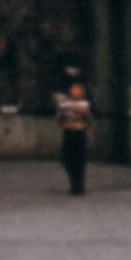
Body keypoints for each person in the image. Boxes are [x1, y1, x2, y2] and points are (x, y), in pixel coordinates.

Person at [54, 66, 93, 197]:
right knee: (76, 159)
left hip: (73, 130)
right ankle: (78, 185)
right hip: (76, 130)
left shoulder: (70, 100)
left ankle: (77, 185)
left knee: (71, 159)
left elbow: (59, 117)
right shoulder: (83, 95)